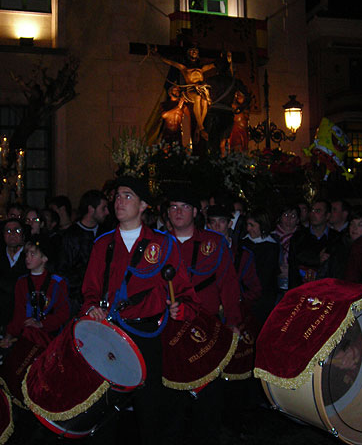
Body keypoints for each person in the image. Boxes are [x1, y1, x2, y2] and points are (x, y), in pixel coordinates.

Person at [81, 176, 198, 445]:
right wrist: (91, 309)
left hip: (149, 336)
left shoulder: (164, 244)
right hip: (111, 333)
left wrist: (182, 309)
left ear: (144, 205)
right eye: (117, 196)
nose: (119, 201)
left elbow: (185, 294)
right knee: (105, 411)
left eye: (128, 196)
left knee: (152, 413)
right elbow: (90, 291)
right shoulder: (103, 244)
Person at [165, 187, 241, 445]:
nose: (178, 212)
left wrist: (232, 321)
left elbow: (228, 284)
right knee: (171, 398)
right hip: (169, 330)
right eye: (173, 206)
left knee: (208, 398)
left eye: (184, 207)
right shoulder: (157, 244)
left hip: (206, 329)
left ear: (195, 212)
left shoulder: (215, 243)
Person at [0, 238, 70, 349]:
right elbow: (19, 313)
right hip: (28, 337)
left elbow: (63, 313)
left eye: (33, 254)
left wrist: (42, 324)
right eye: (27, 254)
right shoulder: (21, 282)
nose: (28, 258)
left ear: (44, 258)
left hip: (51, 338)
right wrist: (9, 335)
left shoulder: (57, 283)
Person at [58, 189, 110, 315]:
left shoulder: (106, 234)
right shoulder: (71, 236)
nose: (107, 212)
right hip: (78, 301)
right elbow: (64, 270)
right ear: (91, 209)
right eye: (103, 208)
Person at [288, 199, 345, 288]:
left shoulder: (336, 238)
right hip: (302, 289)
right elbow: (294, 264)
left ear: (327, 215)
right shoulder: (299, 237)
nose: (313, 214)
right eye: (312, 210)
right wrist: (316, 259)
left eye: (318, 211)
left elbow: (338, 268)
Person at [273, 204, 300, 302]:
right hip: (275, 284)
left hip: (295, 283)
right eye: (285, 215)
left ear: (298, 220)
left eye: (293, 216)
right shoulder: (272, 237)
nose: (288, 219)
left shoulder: (302, 238)